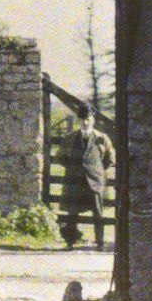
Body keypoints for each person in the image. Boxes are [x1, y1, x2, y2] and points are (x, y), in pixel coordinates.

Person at [62, 107, 114, 251]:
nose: (85, 122)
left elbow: (109, 159)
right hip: (76, 181)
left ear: (93, 120)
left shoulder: (101, 138)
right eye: (82, 119)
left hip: (95, 181)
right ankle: (70, 242)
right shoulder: (70, 138)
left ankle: (100, 243)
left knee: (98, 212)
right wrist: (74, 170)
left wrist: (96, 170)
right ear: (79, 120)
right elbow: (61, 157)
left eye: (88, 119)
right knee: (72, 212)